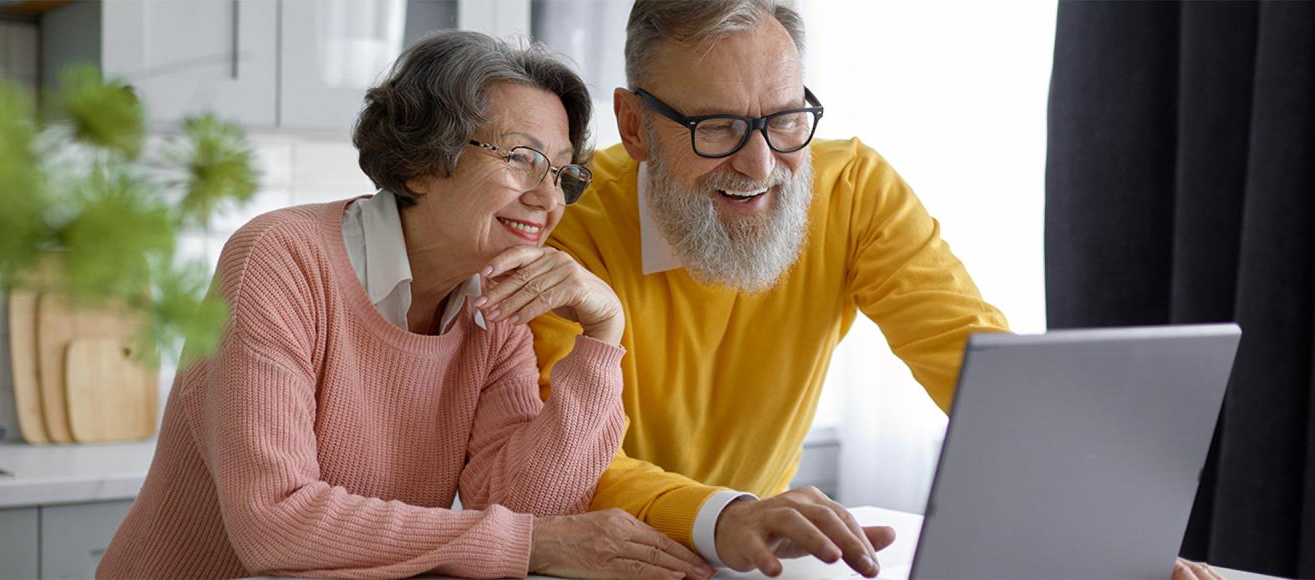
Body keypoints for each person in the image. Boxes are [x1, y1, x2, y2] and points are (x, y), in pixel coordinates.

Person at [476, 2, 1222, 579]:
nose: (762, 164)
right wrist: (723, 514)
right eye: (719, 129)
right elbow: (552, 458)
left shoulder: (853, 188)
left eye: (784, 120)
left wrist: (1104, 531)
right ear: (635, 127)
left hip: (757, 560)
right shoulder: (560, 224)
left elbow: (983, 370)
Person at [96, 31, 713, 579]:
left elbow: (528, 507)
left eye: (561, 174)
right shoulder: (280, 260)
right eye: (523, 159)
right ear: (421, 162)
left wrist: (604, 335)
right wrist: (525, 543)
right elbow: (276, 522)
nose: (547, 198)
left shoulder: (491, 305)